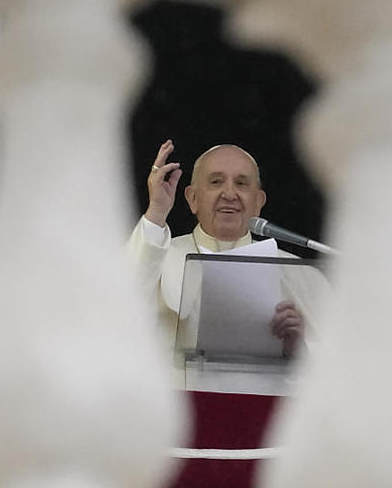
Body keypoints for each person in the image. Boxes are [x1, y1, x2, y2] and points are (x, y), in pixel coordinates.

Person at [128, 140, 323, 370]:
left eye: (241, 184)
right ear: (192, 198)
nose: (229, 193)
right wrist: (156, 213)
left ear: (258, 202)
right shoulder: (158, 257)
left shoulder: (298, 272)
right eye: (216, 182)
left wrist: (298, 349)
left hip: (265, 403)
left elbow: (341, 365)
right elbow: (117, 310)